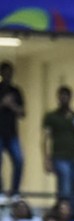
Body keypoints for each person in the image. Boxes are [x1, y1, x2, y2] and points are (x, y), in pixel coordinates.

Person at [42, 86, 74, 216]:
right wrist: (46, 159)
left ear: (70, 98)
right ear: (58, 98)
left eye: (66, 96)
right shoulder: (51, 117)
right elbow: (45, 139)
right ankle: (63, 214)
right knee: (65, 185)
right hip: (59, 156)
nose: (64, 98)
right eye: (61, 96)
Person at [0, 61, 25, 199]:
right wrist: (3, 104)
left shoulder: (16, 91)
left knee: (19, 160)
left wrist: (13, 105)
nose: (8, 75)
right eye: (6, 72)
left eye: (10, 72)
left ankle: (15, 191)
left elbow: (22, 113)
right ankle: (0, 190)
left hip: (12, 133)